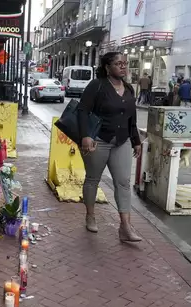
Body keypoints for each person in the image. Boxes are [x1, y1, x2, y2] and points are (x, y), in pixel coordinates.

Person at [77, 51, 143, 242]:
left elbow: (132, 118)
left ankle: (125, 227)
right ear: (107, 67)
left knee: (123, 182)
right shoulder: (97, 86)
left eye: (125, 63)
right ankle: (90, 216)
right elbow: (82, 111)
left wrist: (136, 140)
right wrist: (85, 136)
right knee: (92, 180)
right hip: (99, 139)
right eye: (118, 63)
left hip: (122, 141)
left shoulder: (129, 89)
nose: (123, 66)